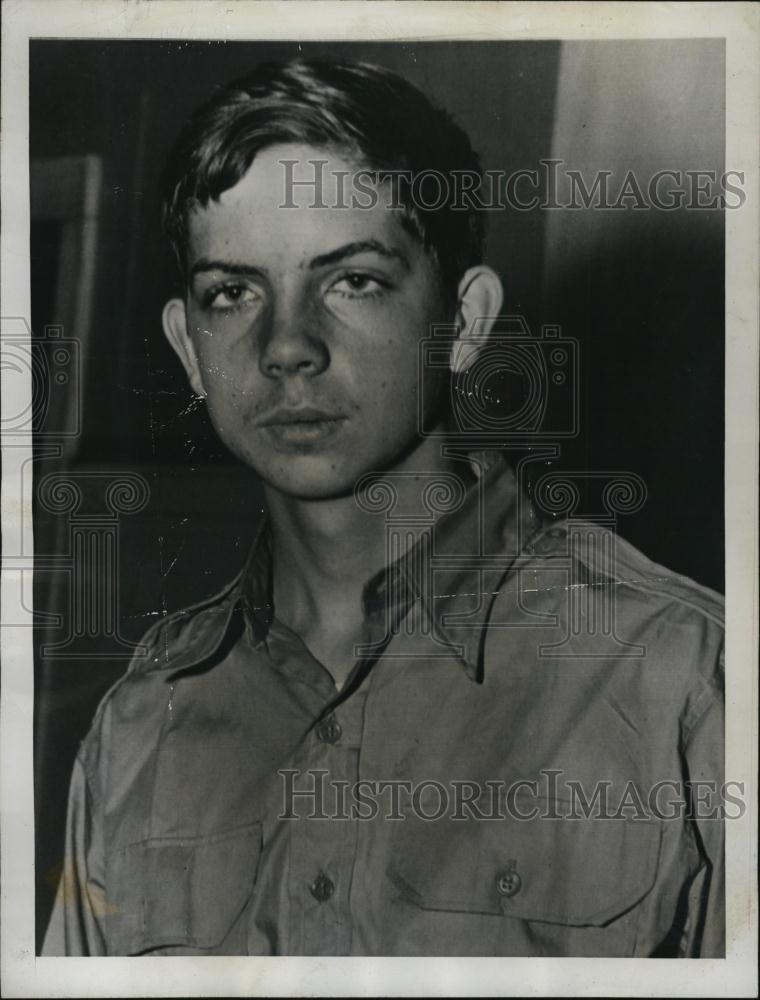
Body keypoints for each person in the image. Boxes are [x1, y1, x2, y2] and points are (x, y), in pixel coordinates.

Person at [43, 57, 725, 957]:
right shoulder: (137, 727)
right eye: (233, 292)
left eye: (353, 280)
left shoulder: (681, 679)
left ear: (465, 323)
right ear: (188, 346)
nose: (286, 345)